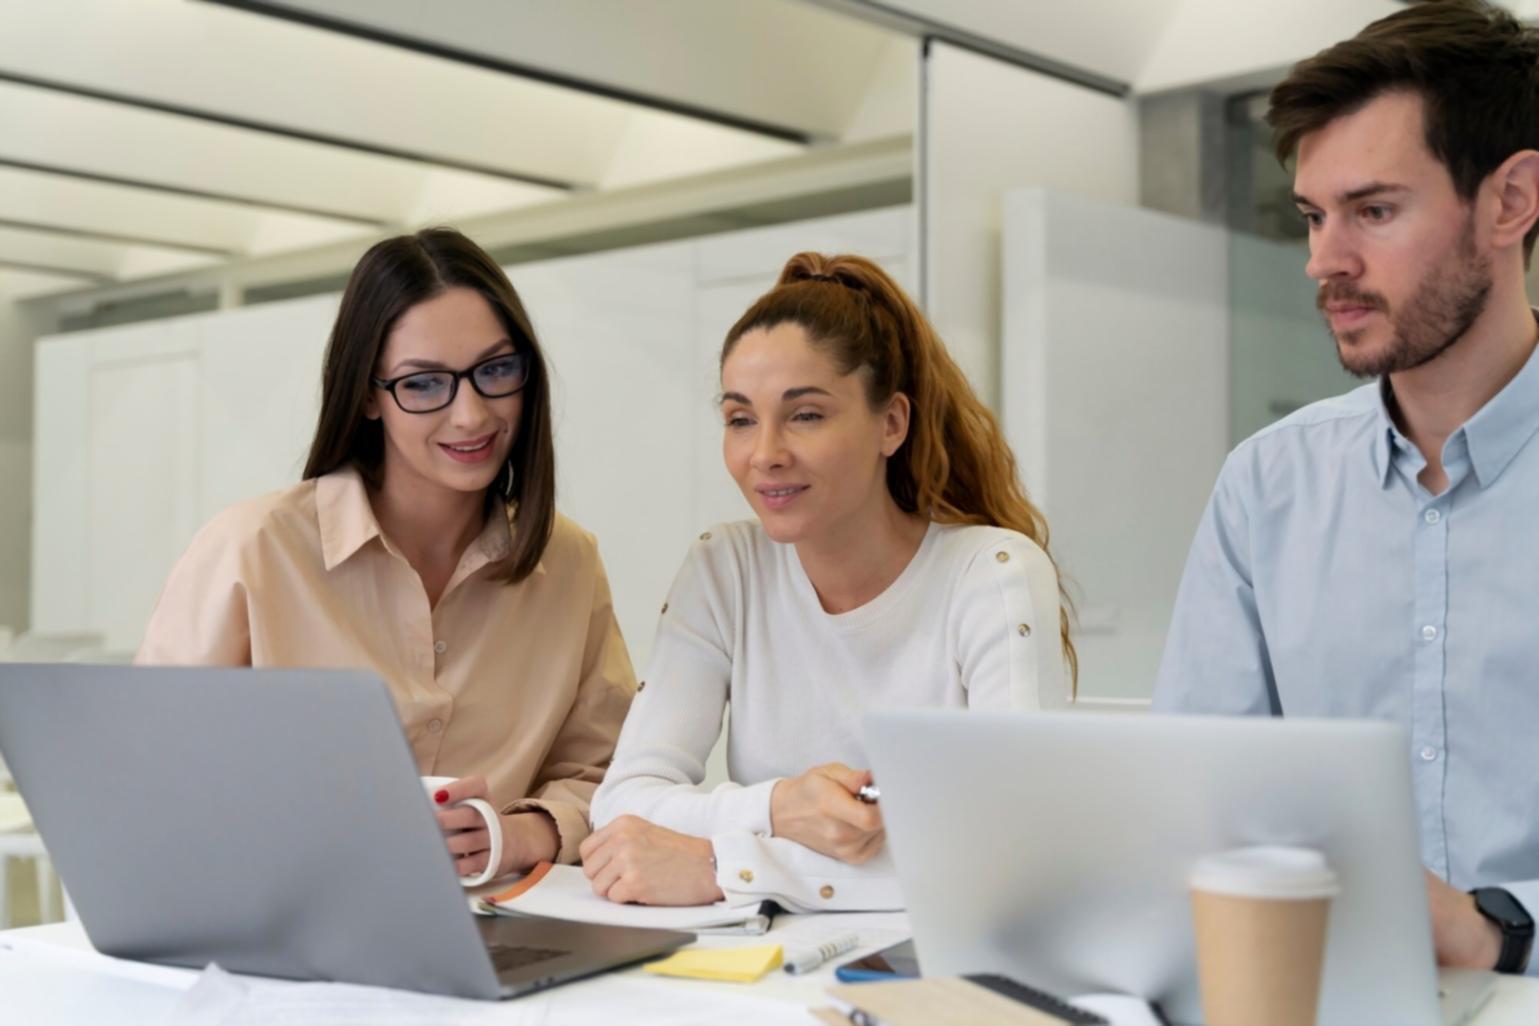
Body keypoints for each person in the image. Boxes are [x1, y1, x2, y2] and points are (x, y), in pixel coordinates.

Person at [1154, 0, 1539, 976]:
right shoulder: (1264, 489)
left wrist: (1498, 926)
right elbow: (1196, 808)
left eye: (1374, 211)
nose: (1327, 262)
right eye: (1314, 218)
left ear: (1510, 202)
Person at [581, 252, 1075, 911]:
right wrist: (780, 806)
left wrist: (724, 867)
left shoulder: (992, 575)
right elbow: (624, 801)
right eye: (739, 418)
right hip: (764, 977)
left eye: (805, 415)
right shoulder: (723, 568)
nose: (765, 454)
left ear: (891, 423)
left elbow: (1014, 850)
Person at [137, 228, 635, 880]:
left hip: (504, 926)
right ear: (368, 394)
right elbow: (150, 778)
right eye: (424, 383)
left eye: (495, 370)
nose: (471, 414)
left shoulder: (567, 562)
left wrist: (520, 833)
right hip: (282, 921)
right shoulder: (252, 551)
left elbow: (609, 771)